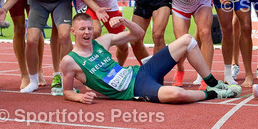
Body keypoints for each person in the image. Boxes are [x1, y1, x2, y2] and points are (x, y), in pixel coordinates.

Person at [61, 14, 241, 104]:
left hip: (141, 71)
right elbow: (67, 91)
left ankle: (212, 82)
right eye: (82, 29)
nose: (86, 33)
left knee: (187, 40)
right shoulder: (70, 61)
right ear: (73, 32)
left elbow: (138, 34)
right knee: (177, 94)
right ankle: (215, 94)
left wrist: (125, 21)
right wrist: (80, 98)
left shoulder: (103, 41)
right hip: (136, 88)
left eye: (89, 29)